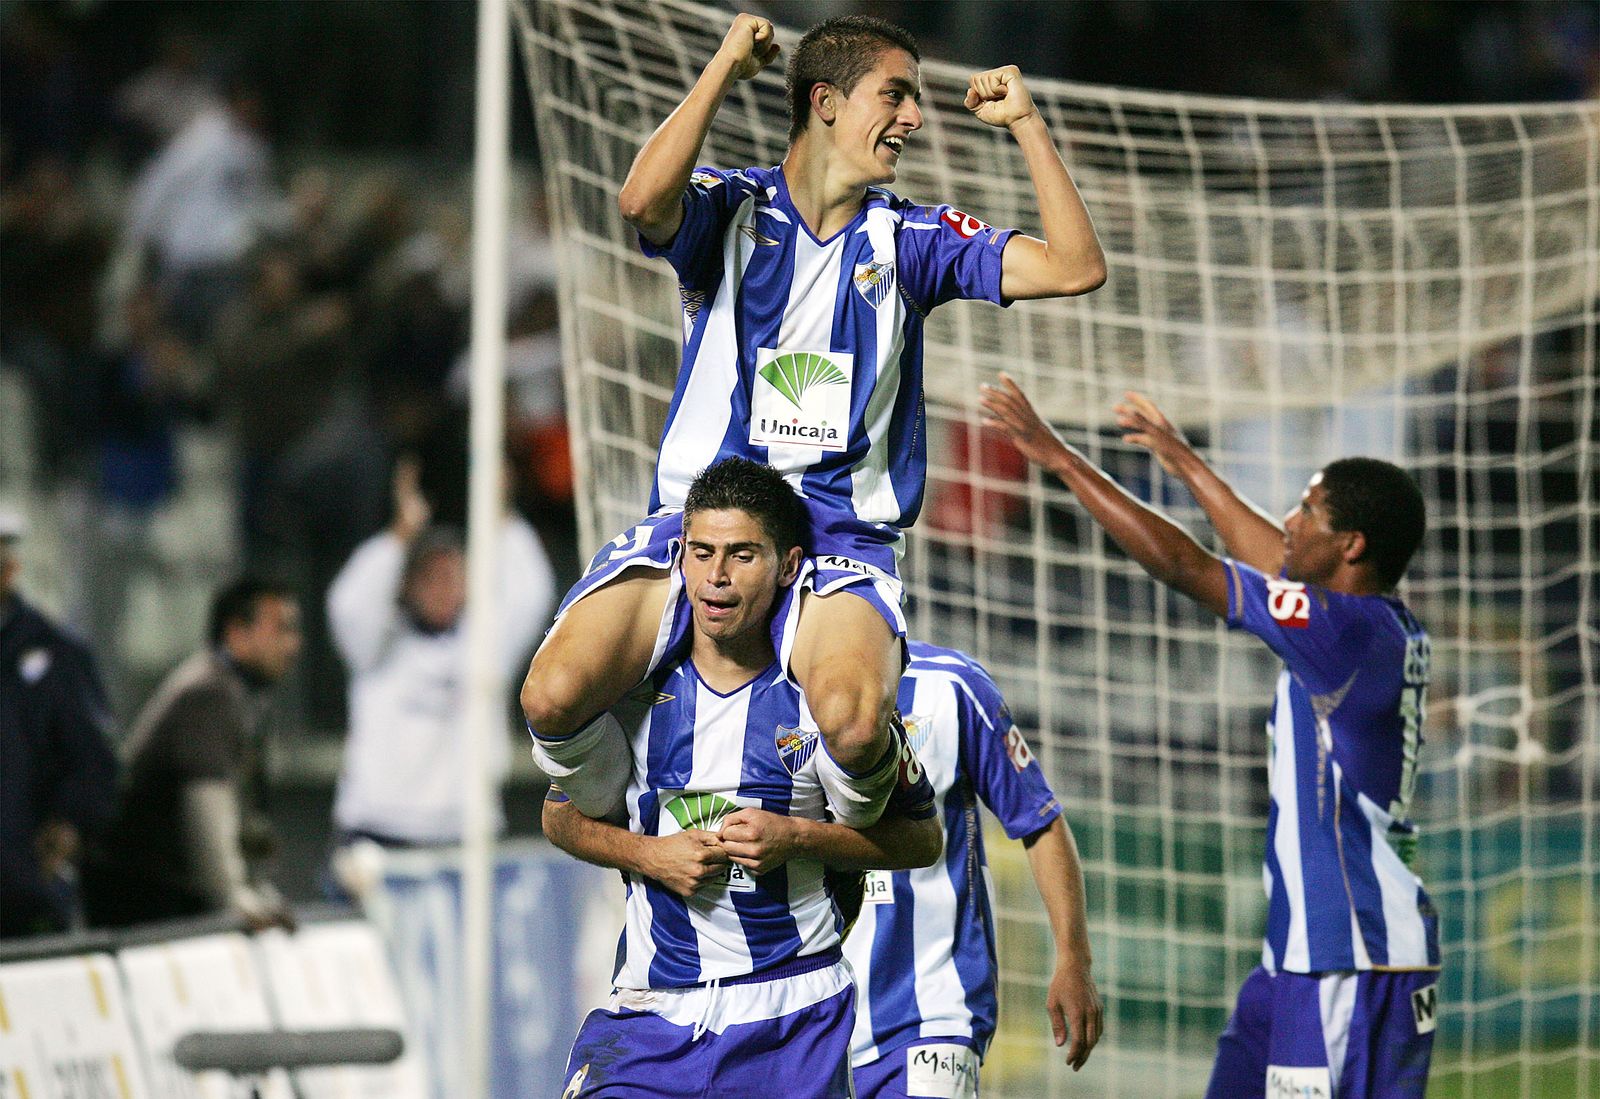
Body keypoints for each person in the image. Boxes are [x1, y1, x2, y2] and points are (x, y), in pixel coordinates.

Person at [524, 13, 1106, 830]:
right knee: (549, 696)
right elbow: (641, 199)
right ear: (825, 102)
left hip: (837, 536)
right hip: (702, 524)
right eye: (895, 95)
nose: (913, 117)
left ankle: (865, 817)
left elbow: (1077, 267)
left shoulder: (911, 240)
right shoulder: (733, 209)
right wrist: (726, 66)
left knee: (854, 721)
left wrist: (1028, 126)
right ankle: (621, 809)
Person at [980, 377, 1439, 1099]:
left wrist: (1062, 459)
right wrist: (1182, 459)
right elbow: (1271, 556)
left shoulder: (1343, 631)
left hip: (1350, 957)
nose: (1289, 517)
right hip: (1296, 959)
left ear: (1350, 545)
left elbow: (1190, 567)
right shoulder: (1363, 624)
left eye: (1308, 509)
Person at [543, 456, 941, 1098]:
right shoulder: (636, 688)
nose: (717, 578)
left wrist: (797, 839)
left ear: (787, 567)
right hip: (651, 1012)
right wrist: (649, 855)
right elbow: (559, 815)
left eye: (741, 556)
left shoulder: (826, 699)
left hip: (790, 1018)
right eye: (700, 553)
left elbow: (921, 839)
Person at [846, 642, 1100, 1096]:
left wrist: (1073, 957)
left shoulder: (952, 687)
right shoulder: (770, 687)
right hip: (808, 1024)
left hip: (931, 1016)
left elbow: (1038, 819)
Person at [326, 458, 555, 849]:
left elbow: (531, 592)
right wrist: (400, 535)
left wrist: (501, 512)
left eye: (453, 576)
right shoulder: (376, 645)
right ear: (405, 582)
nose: (443, 588)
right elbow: (348, 604)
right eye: (430, 576)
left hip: (463, 830)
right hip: (377, 826)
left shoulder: (486, 641)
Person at [83, 577, 302, 930]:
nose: (293, 645)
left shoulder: (236, 691)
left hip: (160, 893)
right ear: (236, 633)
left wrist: (257, 890)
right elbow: (206, 808)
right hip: (142, 900)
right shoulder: (210, 691)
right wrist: (234, 899)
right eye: (281, 629)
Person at [0, 509, 119, 938]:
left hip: (22, 897)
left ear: (10, 570)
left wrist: (68, 823)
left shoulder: (54, 656)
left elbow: (94, 762)